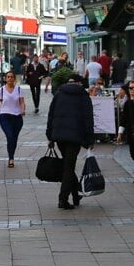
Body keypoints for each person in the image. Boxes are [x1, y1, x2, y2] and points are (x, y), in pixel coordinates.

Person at [46, 73, 95, 210]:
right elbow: (88, 118)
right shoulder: (83, 96)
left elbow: (51, 115)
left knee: (68, 165)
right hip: (75, 136)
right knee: (69, 167)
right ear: (80, 83)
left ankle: (75, 194)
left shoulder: (59, 94)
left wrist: (50, 136)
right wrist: (90, 139)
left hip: (60, 136)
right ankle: (63, 199)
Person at [0, 71, 26, 167]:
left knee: (14, 138)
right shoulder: (2, 90)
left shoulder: (19, 89)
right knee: (10, 136)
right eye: (8, 77)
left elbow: (22, 102)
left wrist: (23, 109)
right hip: (5, 117)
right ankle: (11, 158)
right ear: (6, 79)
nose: (10, 79)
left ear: (14, 79)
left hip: (17, 117)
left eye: (12, 77)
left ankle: (11, 156)